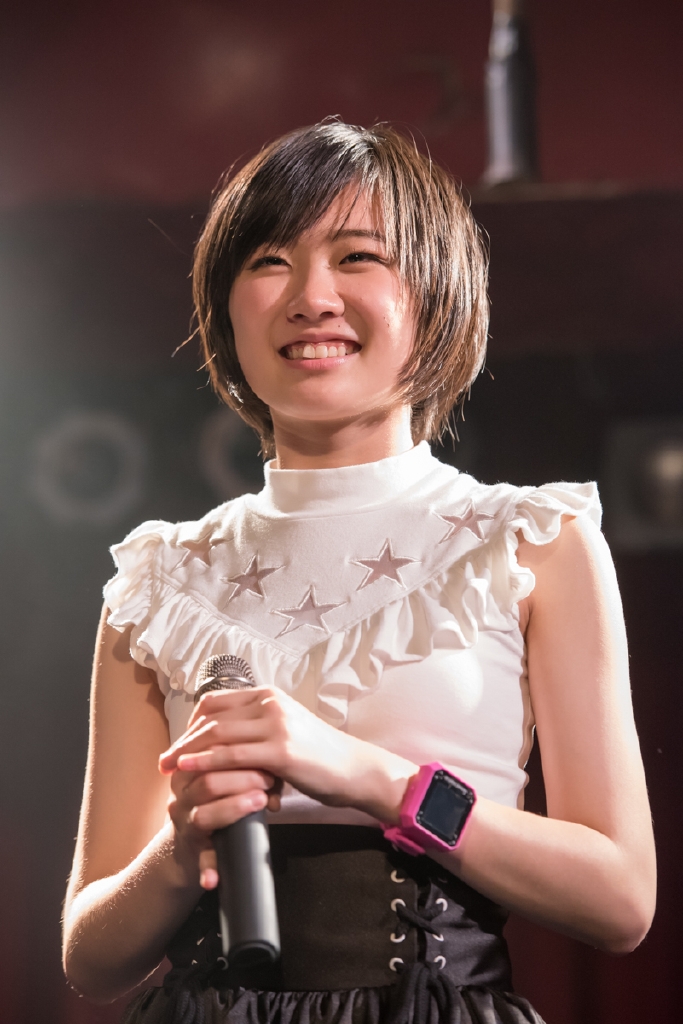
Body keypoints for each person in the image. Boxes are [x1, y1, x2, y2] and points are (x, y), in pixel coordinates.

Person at [62, 122, 656, 1024]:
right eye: (269, 262)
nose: (311, 297)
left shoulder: (531, 540)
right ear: (224, 309)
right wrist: (180, 851)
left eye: (358, 257)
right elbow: (90, 954)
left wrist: (373, 778)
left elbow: (618, 898)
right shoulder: (159, 581)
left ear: (436, 296)